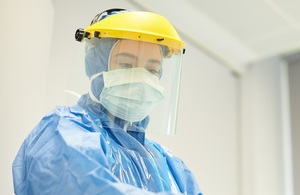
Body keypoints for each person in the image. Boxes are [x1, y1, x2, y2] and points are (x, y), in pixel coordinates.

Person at [12, 8, 203, 195]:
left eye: (152, 70)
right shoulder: (64, 132)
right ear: (97, 66)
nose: (141, 79)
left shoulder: (170, 167)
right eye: (127, 65)